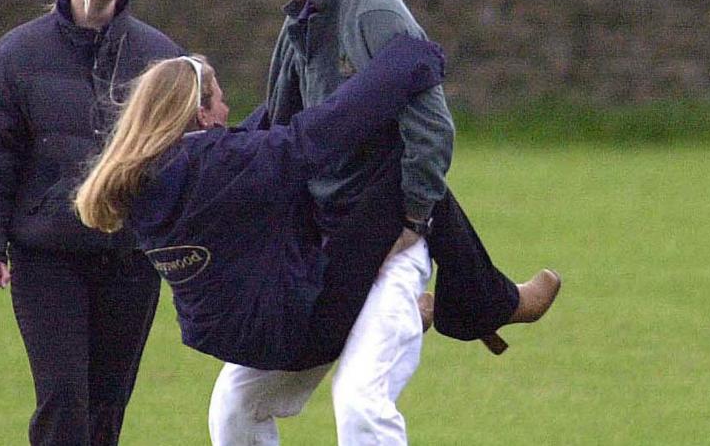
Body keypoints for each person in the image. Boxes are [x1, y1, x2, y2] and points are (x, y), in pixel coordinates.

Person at [201, 0, 562, 445]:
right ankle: (459, 307)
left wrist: (413, 221)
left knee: (361, 404)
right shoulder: (303, 16)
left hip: (393, 246)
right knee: (234, 406)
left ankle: (438, 305)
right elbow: (279, 122)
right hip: (324, 252)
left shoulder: (374, 14)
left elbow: (433, 128)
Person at [73, 33, 445, 389]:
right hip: (296, 333)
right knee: (390, 166)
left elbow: (250, 137)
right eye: (219, 100)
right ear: (202, 115)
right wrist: (410, 59)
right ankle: (463, 303)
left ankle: (478, 300)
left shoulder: (141, 180)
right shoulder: (218, 166)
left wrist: (299, 75)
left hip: (230, 341)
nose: (227, 108)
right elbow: (315, 135)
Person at [0, 0, 183, 445]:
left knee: (106, 410)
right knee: (63, 404)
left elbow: (185, 158)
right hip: (47, 259)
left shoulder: (161, 57)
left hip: (130, 262)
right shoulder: (18, 55)